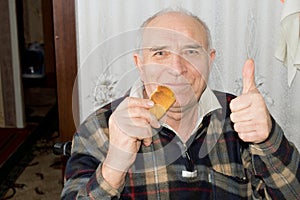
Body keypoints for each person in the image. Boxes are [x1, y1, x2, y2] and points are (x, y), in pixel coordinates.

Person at [61, 9, 300, 199]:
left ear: (210, 60)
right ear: (140, 64)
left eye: (191, 51)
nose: (176, 69)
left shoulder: (242, 116)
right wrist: (113, 167)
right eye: (160, 53)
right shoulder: (100, 127)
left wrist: (268, 139)